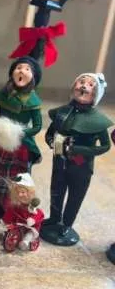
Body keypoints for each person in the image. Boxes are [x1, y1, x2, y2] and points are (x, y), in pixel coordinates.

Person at [41, 73, 113, 246]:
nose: (84, 86)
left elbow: (105, 146)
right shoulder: (62, 112)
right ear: (74, 86)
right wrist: (52, 142)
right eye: (81, 81)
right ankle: (54, 218)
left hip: (81, 167)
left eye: (90, 85)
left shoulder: (98, 121)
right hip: (59, 161)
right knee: (56, 191)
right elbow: (50, 133)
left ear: (95, 95)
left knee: (75, 196)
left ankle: (66, 225)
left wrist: (79, 150)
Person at [0, 56, 42, 221]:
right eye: (18, 68)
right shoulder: (1, 94)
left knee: (9, 177)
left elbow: (37, 126)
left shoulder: (33, 101)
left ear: (33, 77)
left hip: (16, 145)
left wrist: (18, 132)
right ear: (12, 73)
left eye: (27, 69)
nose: (22, 71)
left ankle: (6, 209)